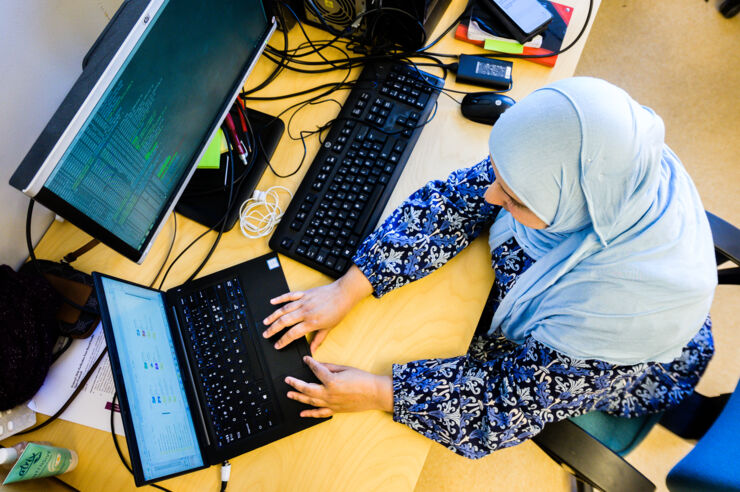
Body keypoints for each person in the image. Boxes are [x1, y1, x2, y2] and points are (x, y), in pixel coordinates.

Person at [261, 77, 718, 458]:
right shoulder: (591, 163)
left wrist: (380, 393)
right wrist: (348, 289)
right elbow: (455, 198)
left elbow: (501, 405)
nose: (490, 196)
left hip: (630, 370)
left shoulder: (615, 315)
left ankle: (695, 418)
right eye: (500, 177)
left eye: (514, 198)